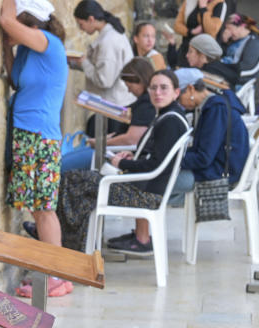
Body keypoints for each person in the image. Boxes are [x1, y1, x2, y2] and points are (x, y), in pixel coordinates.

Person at [57, 69, 191, 255]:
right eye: (153, 88)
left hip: (145, 195)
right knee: (78, 179)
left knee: (74, 180)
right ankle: (67, 239)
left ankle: (62, 241)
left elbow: (156, 166)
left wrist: (122, 164)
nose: (157, 93)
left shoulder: (170, 122)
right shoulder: (169, 116)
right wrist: (132, 157)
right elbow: (154, 156)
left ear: (176, 92)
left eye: (163, 88)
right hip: (144, 187)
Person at [0, 0, 72, 297]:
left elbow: (6, 20)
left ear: (31, 24)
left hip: (41, 136)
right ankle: (51, 273)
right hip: (26, 135)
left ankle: (56, 276)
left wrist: (8, 7)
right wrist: (6, 46)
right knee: (36, 207)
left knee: (44, 209)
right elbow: (14, 77)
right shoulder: (29, 51)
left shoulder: (49, 43)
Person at [60, 57, 157, 172]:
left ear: (140, 81)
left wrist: (100, 143)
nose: (129, 91)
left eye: (129, 87)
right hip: (111, 150)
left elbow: (131, 139)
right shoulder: (144, 103)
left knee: (62, 166)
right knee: (65, 160)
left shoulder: (146, 105)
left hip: (114, 154)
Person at [169, 69, 250, 205]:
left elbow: (203, 158)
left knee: (154, 184)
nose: (178, 103)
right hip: (217, 168)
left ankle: (146, 222)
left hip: (219, 175)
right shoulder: (213, 104)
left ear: (190, 89)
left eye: (177, 97)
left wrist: (168, 160)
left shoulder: (216, 109)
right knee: (154, 188)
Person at [70, 0, 135, 136]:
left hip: (114, 106)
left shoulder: (108, 41)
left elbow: (104, 80)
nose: (80, 29)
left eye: (81, 24)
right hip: (115, 103)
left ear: (91, 19)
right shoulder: (110, 34)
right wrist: (77, 64)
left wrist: (84, 63)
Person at [172, 0, 229, 66]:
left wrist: (203, 7)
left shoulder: (220, 4)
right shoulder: (189, 1)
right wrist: (192, 31)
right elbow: (177, 26)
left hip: (203, 54)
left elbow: (211, 31)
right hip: (186, 48)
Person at [221, 13, 259, 84]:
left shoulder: (254, 43)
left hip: (236, 80)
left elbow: (248, 68)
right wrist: (224, 41)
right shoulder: (234, 40)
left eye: (229, 28)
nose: (227, 32)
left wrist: (224, 70)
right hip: (225, 73)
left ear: (241, 27)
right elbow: (224, 56)